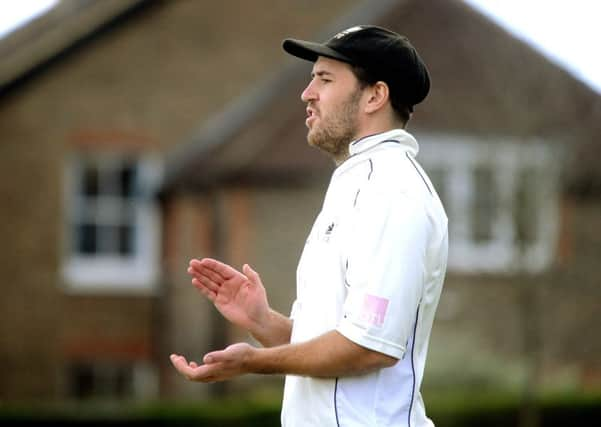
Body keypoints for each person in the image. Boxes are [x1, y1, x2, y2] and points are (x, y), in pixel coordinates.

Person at [170, 25, 448, 427]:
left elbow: (370, 348)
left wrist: (253, 362)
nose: (307, 92)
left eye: (324, 78)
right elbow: (331, 344)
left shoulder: (393, 192)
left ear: (375, 95)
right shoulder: (356, 182)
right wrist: (262, 321)